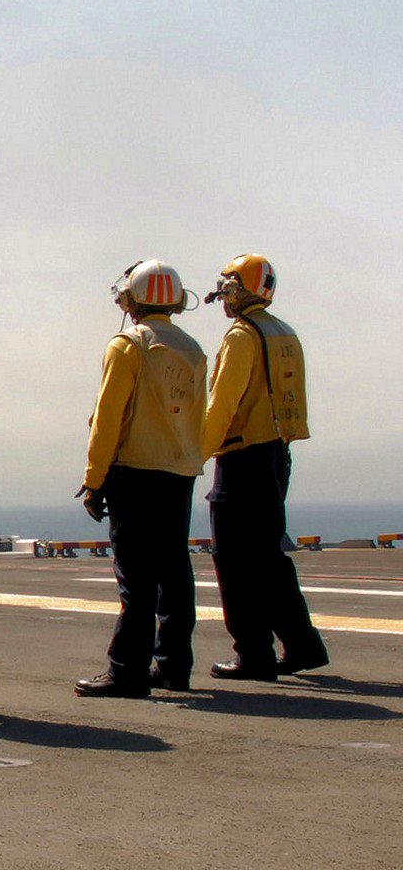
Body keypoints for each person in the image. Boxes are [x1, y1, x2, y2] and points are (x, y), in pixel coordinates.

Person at [72, 261, 207, 697]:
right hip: (180, 470)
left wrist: (94, 479)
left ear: (132, 299)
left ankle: (127, 670)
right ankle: (174, 666)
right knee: (175, 571)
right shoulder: (193, 349)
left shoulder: (128, 345)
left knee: (136, 579)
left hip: (134, 472)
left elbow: (107, 419)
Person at [201, 254, 328, 680]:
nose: (222, 297)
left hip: (241, 458)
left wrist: (193, 455)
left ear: (240, 289)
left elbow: (222, 404)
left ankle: (254, 653)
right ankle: (302, 645)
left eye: (227, 288)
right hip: (276, 454)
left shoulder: (242, 336)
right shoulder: (283, 332)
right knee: (270, 558)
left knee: (234, 561)